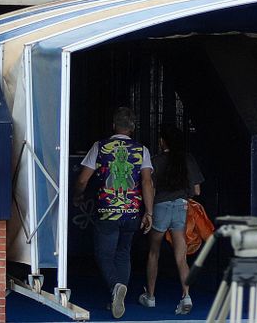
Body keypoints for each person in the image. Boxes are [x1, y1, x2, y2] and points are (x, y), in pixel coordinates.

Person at [74, 107, 155, 320]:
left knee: (104, 254)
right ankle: (117, 298)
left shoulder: (100, 147)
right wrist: (149, 212)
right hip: (132, 212)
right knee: (123, 252)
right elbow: (147, 182)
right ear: (133, 128)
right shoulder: (142, 150)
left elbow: (83, 179)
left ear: (113, 125)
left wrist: (78, 195)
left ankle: (115, 287)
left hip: (107, 211)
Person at [140, 124, 201, 315]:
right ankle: (186, 296)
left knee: (153, 252)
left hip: (160, 207)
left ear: (162, 141)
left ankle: (150, 296)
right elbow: (197, 190)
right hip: (181, 207)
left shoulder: (156, 161)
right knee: (181, 256)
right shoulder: (188, 159)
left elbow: (149, 186)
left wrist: (148, 211)